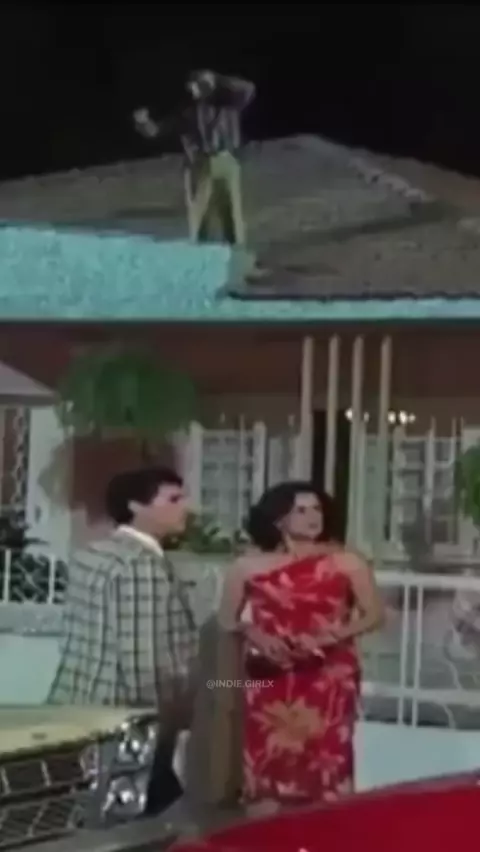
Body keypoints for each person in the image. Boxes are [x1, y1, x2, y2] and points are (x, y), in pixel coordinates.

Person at [218, 482, 384, 816]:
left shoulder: (347, 562)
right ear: (278, 518)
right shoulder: (247, 566)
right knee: (268, 759)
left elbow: (374, 615)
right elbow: (226, 619)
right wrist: (255, 633)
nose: (313, 517)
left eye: (317, 509)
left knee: (328, 759)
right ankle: (265, 833)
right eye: (301, 510)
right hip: (270, 673)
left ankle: (325, 832)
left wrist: (330, 636)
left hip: (329, 675)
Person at [48, 467, 198, 814]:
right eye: (173, 499)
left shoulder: (93, 552)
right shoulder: (140, 566)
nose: (185, 508)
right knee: (141, 819)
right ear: (136, 506)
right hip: (124, 724)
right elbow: (145, 662)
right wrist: (164, 725)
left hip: (77, 705)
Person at [133, 69, 255, 247]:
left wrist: (218, 79)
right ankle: (201, 247)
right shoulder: (188, 112)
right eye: (192, 86)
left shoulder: (228, 103)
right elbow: (158, 131)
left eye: (198, 85)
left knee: (231, 208)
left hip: (226, 159)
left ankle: (236, 248)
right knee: (200, 210)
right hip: (200, 163)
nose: (193, 89)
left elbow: (248, 88)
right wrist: (144, 123)